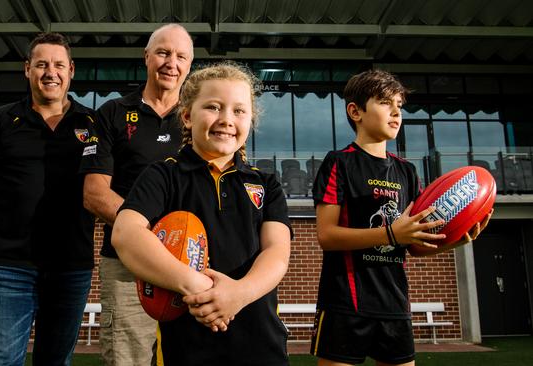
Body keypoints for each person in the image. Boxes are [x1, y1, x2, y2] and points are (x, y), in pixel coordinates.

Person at [111, 62, 292, 365]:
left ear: (251, 120)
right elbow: (125, 233)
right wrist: (198, 287)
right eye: (213, 107)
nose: (226, 119)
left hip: (261, 345)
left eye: (239, 111)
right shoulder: (163, 175)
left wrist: (237, 294)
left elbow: (278, 254)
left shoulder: (266, 183)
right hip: (186, 347)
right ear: (186, 116)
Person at [310, 69, 492, 366]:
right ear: (355, 111)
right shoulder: (339, 162)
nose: (396, 111)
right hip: (346, 302)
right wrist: (390, 234)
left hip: (395, 304)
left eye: (399, 105)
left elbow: (413, 244)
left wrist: (454, 243)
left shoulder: (407, 171)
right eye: (384, 102)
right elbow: (327, 237)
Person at [0, 32, 96, 366]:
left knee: (55, 361)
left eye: (58, 65)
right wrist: (8, 228)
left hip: (71, 269)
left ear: (71, 70)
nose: (51, 72)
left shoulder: (92, 125)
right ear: (27, 69)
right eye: (41, 64)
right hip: (9, 268)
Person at [79, 24, 193, 366]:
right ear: (146, 57)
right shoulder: (110, 114)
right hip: (127, 264)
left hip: (191, 266)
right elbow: (95, 195)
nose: (171, 63)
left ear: (189, 66)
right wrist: (154, 237)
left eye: (180, 56)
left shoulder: (198, 118)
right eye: (163, 52)